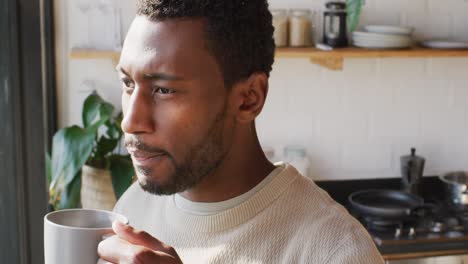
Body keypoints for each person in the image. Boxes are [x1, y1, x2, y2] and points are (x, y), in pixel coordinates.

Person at [97, 0, 384, 263]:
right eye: (128, 84)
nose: (130, 122)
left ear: (249, 98)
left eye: (163, 90)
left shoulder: (337, 251)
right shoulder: (134, 206)